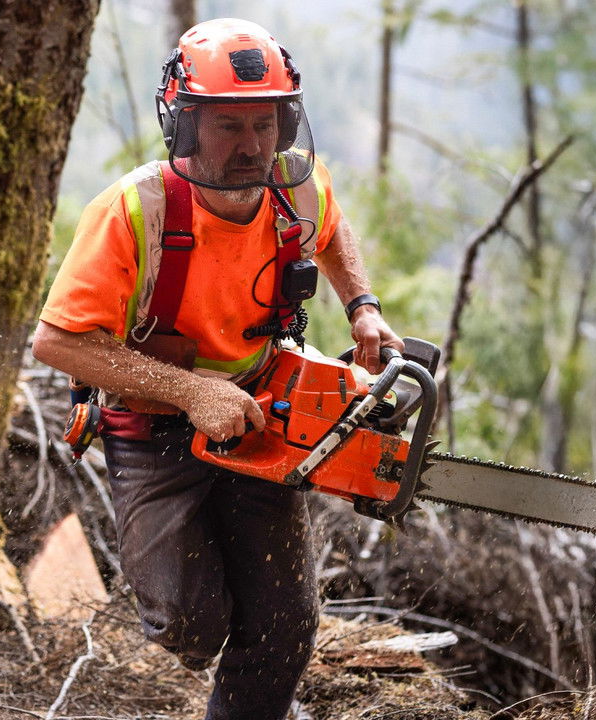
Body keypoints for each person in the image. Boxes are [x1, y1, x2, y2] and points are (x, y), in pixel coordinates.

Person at [32, 17, 403, 720]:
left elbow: (332, 228)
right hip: (152, 426)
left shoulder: (296, 188)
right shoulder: (133, 212)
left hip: (265, 417)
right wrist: (189, 390)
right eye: (228, 126)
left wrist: (363, 306)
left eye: (265, 124)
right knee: (190, 625)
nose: (252, 145)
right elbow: (56, 343)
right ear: (184, 125)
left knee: (285, 624)